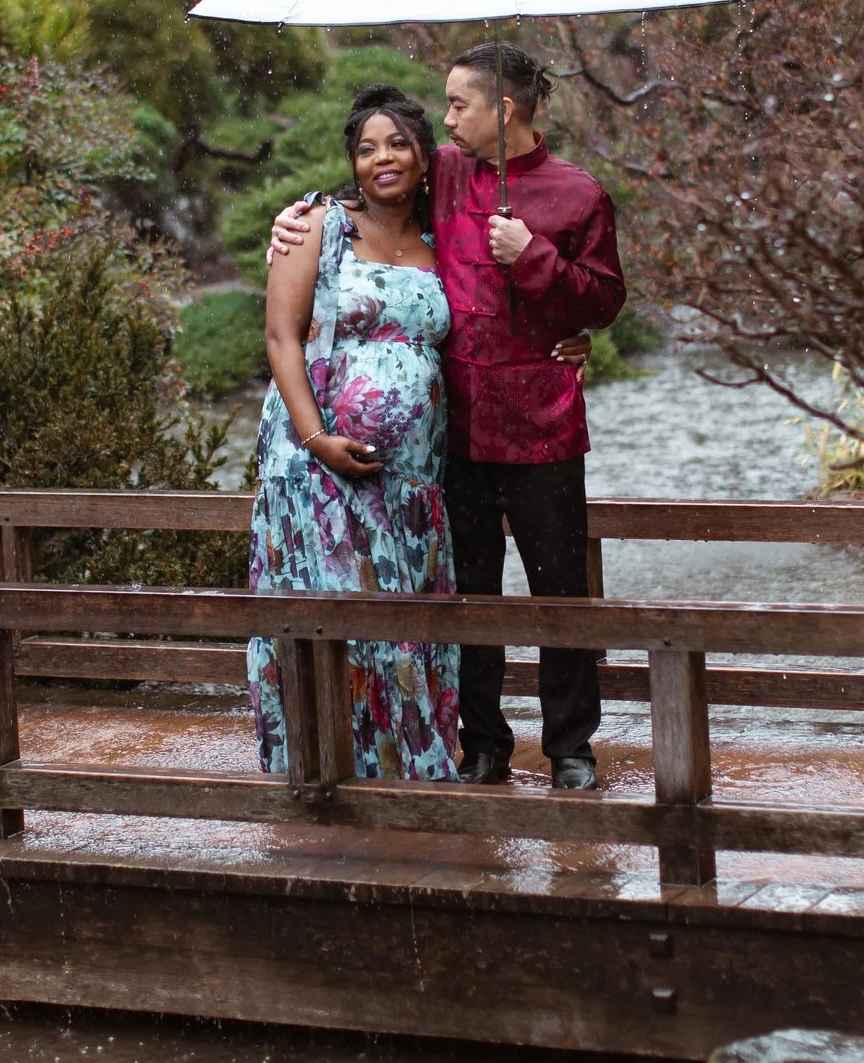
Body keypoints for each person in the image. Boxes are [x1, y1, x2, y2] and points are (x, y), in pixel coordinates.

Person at [273, 43, 625, 790]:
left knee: (561, 592)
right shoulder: (448, 173)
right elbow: (377, 184)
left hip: (544, 425)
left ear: (504, 109)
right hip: (453, 436)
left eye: (460, 103)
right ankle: (485, 744)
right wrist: (296, 216)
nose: (448, 117)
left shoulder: (579, 194)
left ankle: (571, 747)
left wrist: (533, 256)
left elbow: (602, 300)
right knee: (467, 596)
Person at [248, 83, 460, 779]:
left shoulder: (444, 241)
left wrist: (572, 342)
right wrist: (318, 440)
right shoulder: (317, 224)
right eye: (367, 149)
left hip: (411, 482)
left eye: (398, 144)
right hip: (315, 469)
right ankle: (325, 770)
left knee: (400, 621)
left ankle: (402, 766)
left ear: (425, 158)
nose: (383, 158)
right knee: (335, 616)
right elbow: (281, 338)